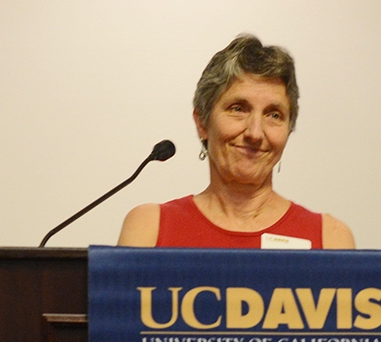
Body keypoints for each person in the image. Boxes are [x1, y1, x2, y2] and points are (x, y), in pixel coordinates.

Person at [118, 35, 355, 250]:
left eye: (274, 114)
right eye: (238, 109)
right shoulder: (149, 229)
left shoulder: (330, 238)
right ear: (202, 123)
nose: (255, 133)